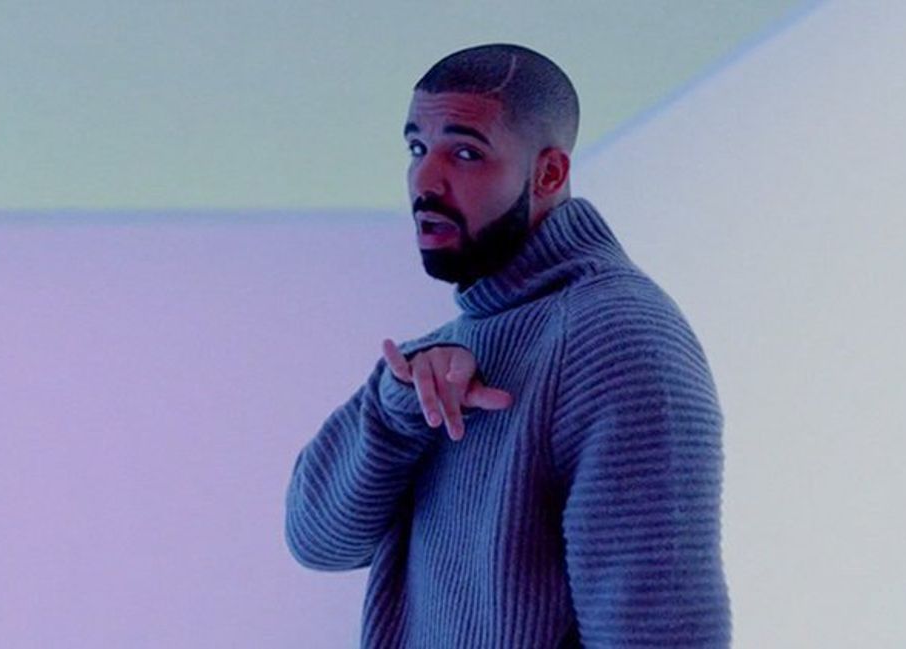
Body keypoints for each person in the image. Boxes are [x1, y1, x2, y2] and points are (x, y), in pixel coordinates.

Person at [284, 42, 732, 648]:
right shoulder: (441, 355)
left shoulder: (617, 339)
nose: (425, 181)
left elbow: (660, 635)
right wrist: (397, 410)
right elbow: (316, 541)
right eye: (417, 148)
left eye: (466, 152)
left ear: (549, 174)